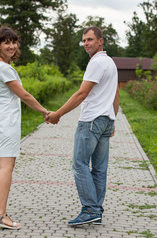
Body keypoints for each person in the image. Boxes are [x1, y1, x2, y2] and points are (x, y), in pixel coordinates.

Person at [45, 26, 120, 226]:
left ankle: (90, 209)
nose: (86, 43)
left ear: (100, 41)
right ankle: (97, 210)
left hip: (91, 121)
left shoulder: (96, 63)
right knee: (99, 169)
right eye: (84, 40)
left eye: (90, 39)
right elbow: (116, 93)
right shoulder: (110, 62)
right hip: (105, 121)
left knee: (79, 164)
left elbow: (81, 94)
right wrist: (112, 118)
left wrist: (57, 114)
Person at [0, 26, 49, 230]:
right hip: (6, 124)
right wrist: (45, 112)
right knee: (6, 167)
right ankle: (1, 214)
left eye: (14, 42)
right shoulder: (3, 68)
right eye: (6, 42)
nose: (11, 46)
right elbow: (25, 95)